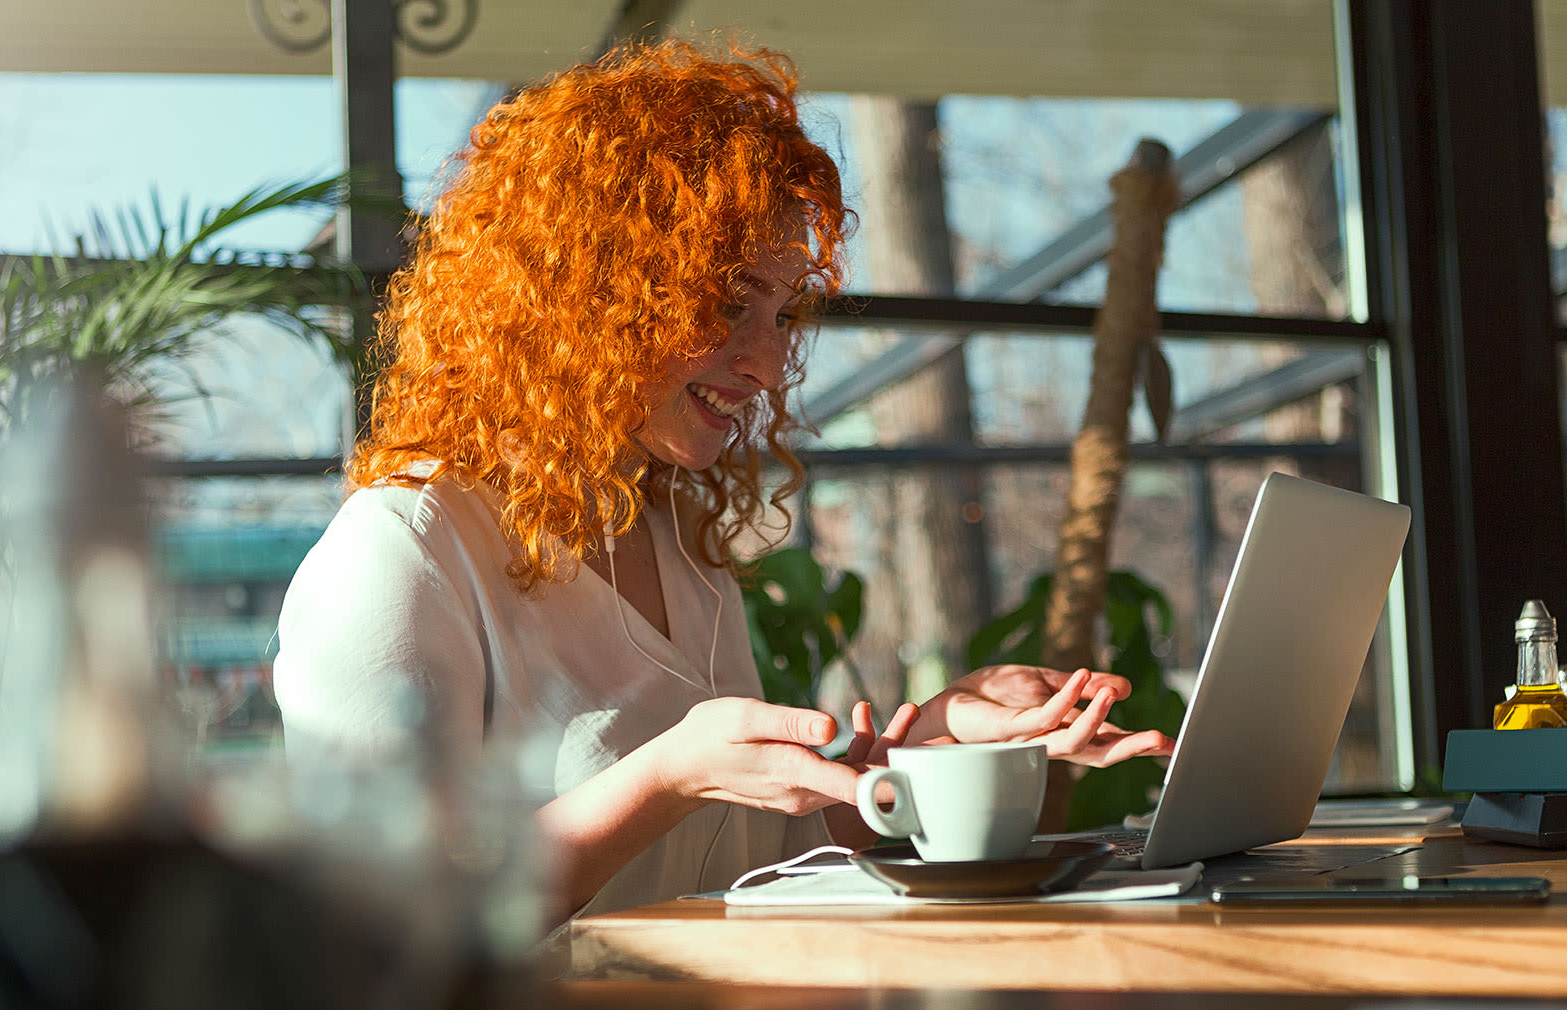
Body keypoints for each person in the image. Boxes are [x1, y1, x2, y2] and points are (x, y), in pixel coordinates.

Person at [273, 39, 1173, 920]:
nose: (772, 365)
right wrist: (666, 777)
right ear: (583, 295)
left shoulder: (676, 539)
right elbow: (379, 920)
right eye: (725, 304)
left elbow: (764, 859)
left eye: (782, 314)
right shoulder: (404, 551)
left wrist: (930, 736)